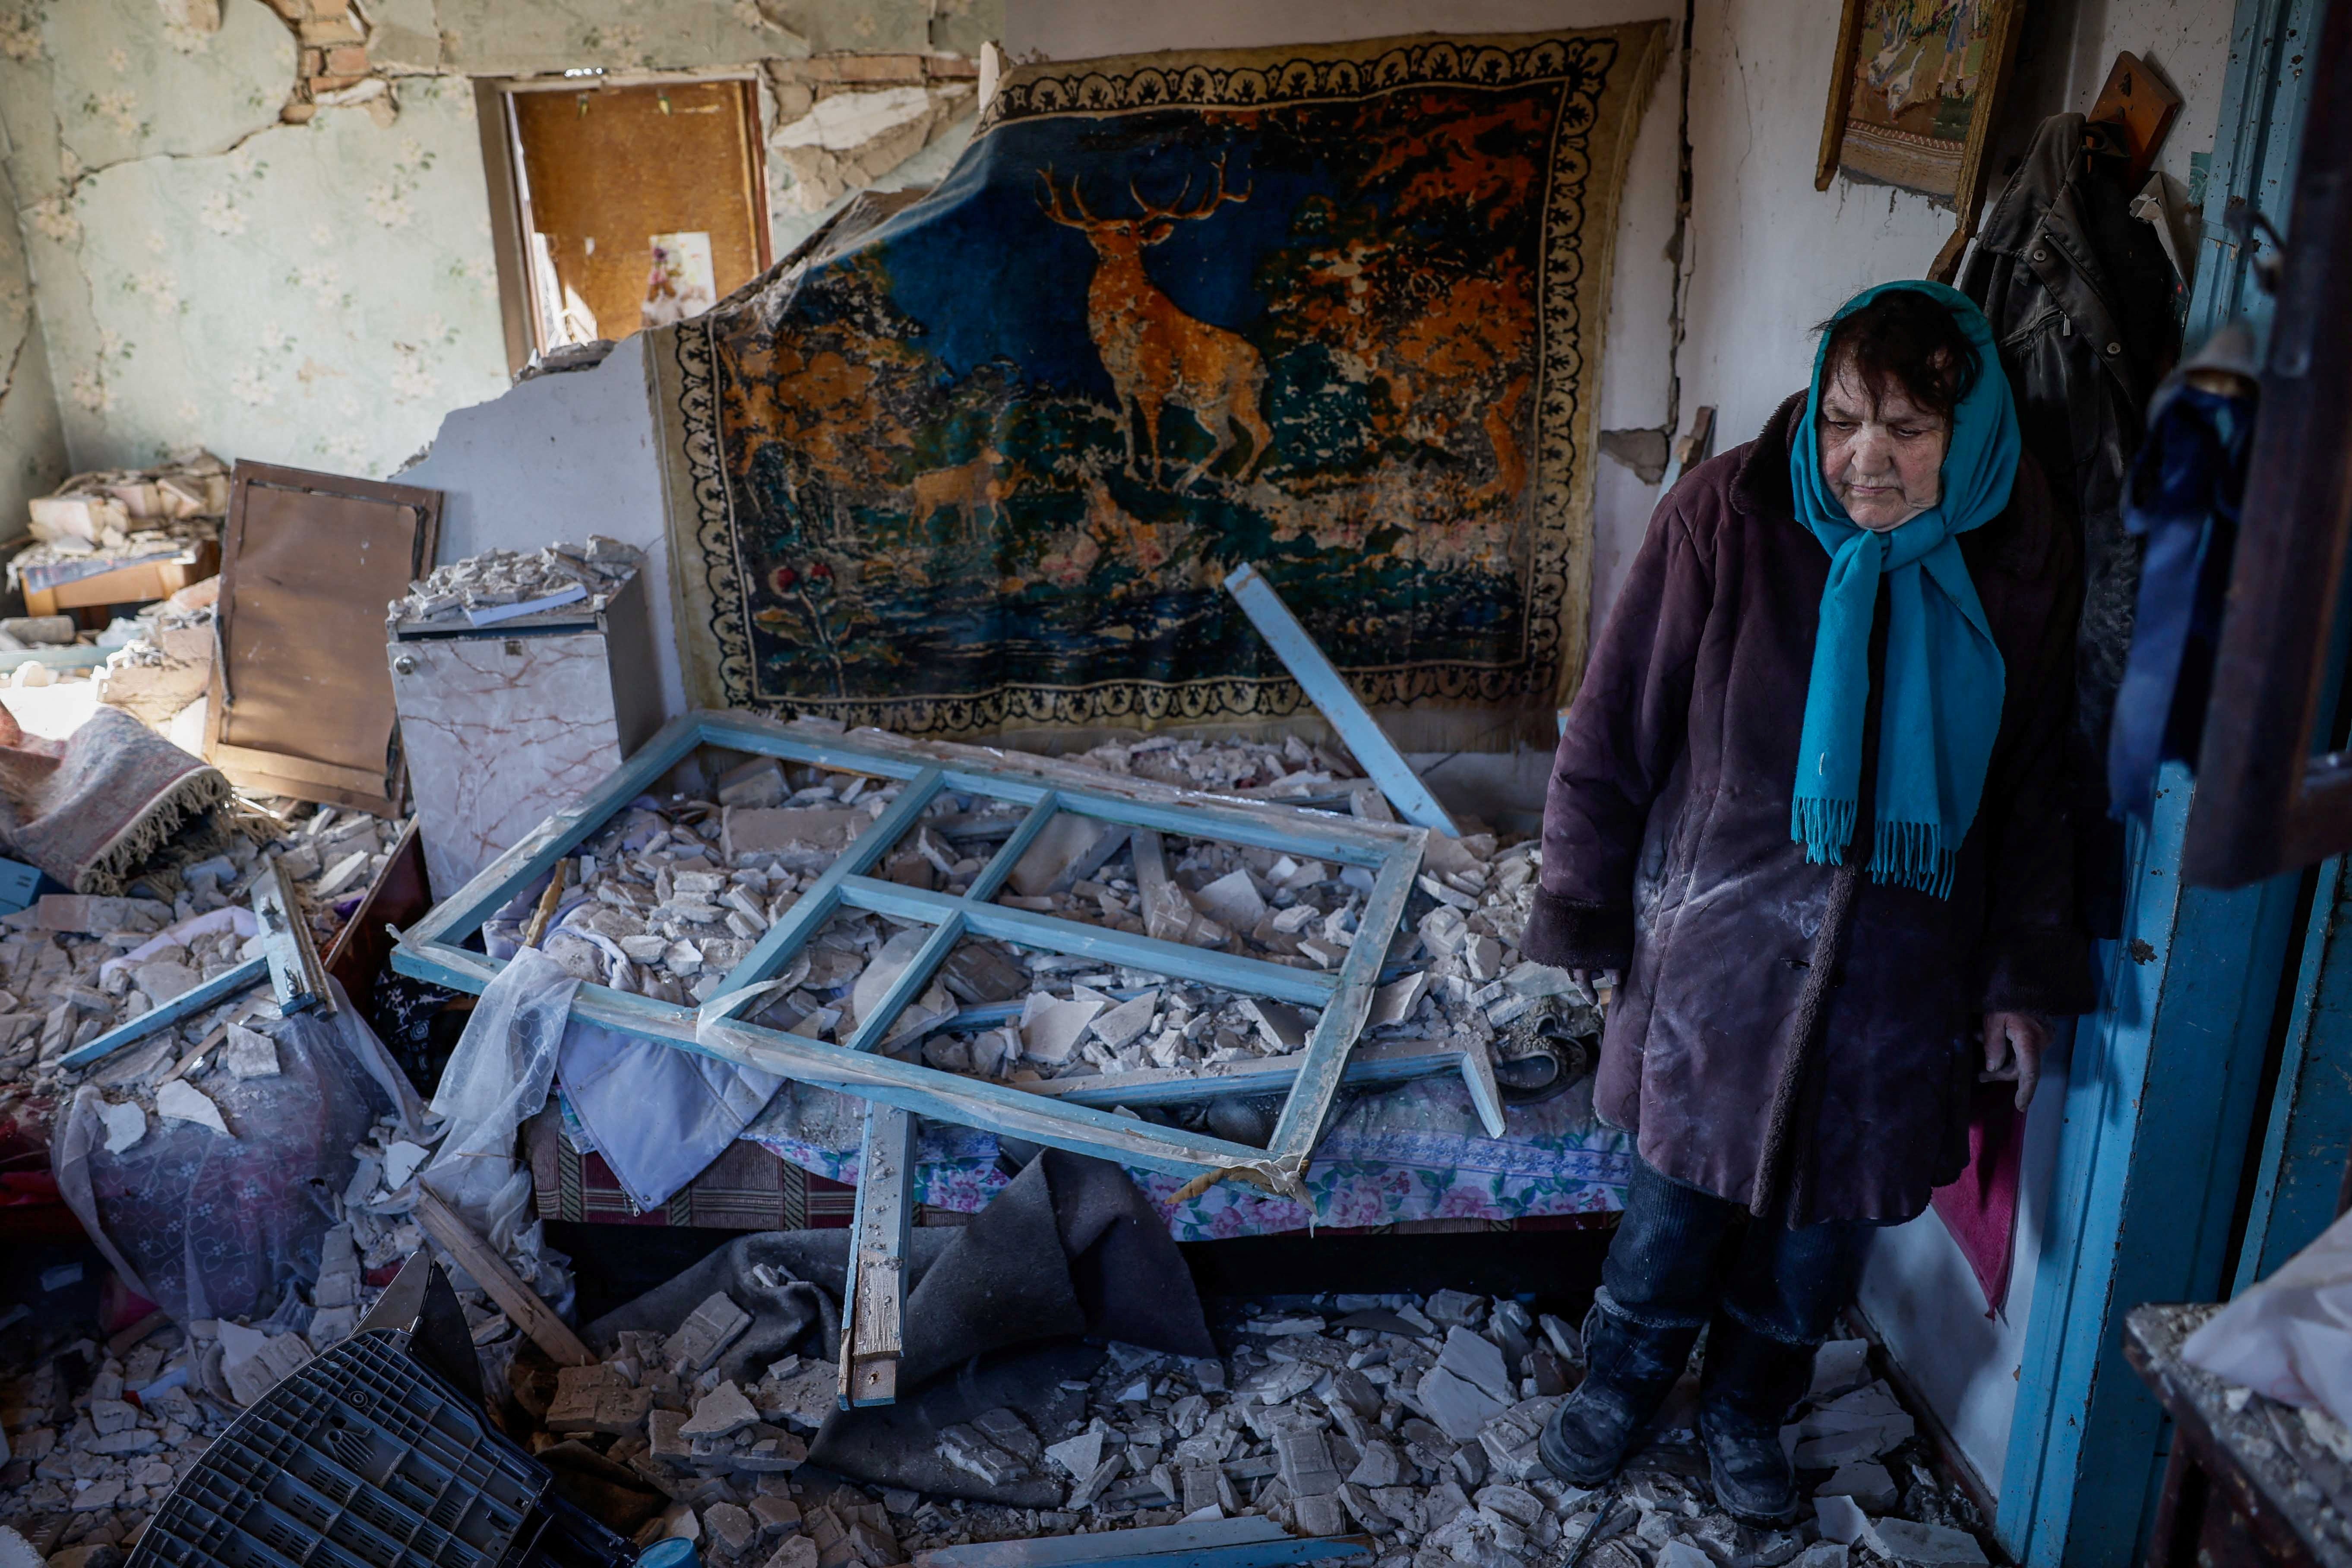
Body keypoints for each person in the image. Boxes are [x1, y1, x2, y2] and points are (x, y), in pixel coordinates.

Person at [1521, 282, 2094, 1522]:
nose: (1864, 461)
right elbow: (1613, 723)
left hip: (1903, 974)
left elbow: (2041, 781)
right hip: (1718, 943)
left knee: (1819, 1238)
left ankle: (1744, 1410)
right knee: (1673, 1204)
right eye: (1843, 421)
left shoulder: (2026, 547)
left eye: (1907, 430)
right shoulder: (1731, 512)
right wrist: (1583, 908)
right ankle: (1618, 1385)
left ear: (1971, 424)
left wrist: (2020, 983)